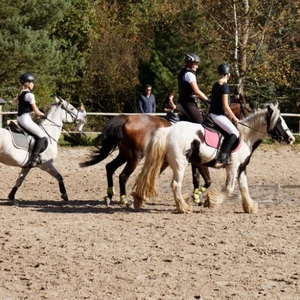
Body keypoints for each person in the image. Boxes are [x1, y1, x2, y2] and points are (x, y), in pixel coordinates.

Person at [208, 64, 240, 167]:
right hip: (218, 116)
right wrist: (234, 118)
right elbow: (226, 106)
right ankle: (222, 156)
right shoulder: (225, 87)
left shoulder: (215, 85)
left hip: (212, 114)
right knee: (235, 133)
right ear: (228, 75)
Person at [14, 73, 47, 167]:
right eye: (32, 82)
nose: (33, 84)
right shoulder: (30, 95)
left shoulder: (21, 94)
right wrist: (44, 115)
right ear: (27, 83)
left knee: (35, 134)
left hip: (20, 118)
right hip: (25, 119)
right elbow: (36, 111)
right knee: (42, 136)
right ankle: (33, 159)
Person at [177, 53, 210, 123]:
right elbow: (196, 91)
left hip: (181, 101)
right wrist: (207, 100)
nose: (197, 67)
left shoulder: (183, 72)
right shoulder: (190, 74)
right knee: (200, 124)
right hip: (188, 103)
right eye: (196, 64)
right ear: (189, 63)